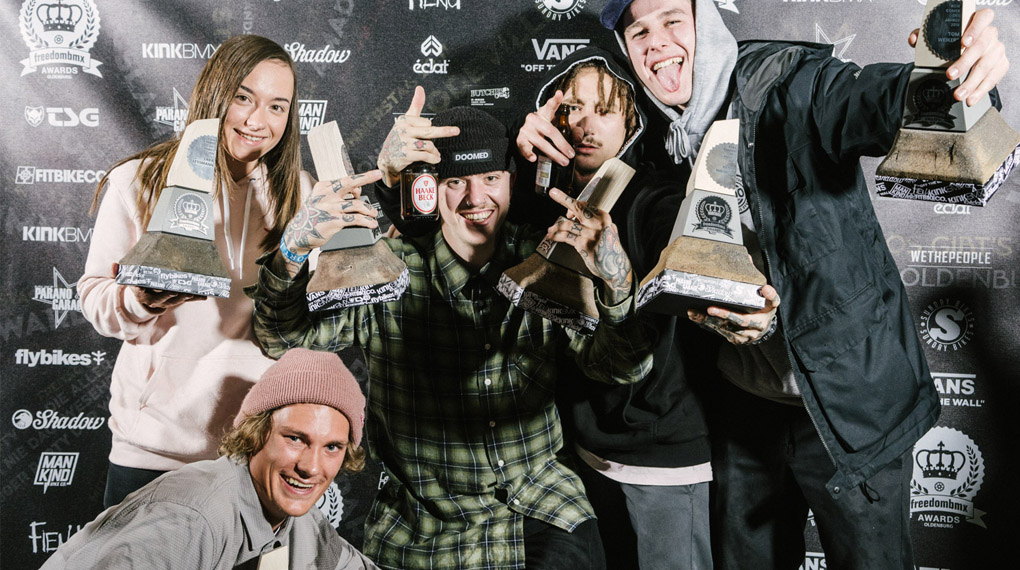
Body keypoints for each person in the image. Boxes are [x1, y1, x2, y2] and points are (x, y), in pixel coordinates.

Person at [590, 1, 1009, 569]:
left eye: (672, 20)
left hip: (849, 401)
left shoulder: (785, 82)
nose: (657, 42)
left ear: (705, 25)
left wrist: (946, 82)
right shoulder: (654, 137)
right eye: (639, 30)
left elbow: (869, 99)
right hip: (745, 409)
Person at [248, 90, 652, 570]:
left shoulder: (547, 261)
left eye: (490, 178)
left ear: (510, 182)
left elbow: (621, 368)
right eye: (456, 181)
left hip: (540, 507)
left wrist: (618, 282)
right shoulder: (388, 273)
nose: (476, 198)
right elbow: (282, 340)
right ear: (428, 191)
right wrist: (291, 252)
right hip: (422, 530)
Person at [78, 34, 314, 508]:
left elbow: (312, 317)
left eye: (277, 107)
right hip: (152, 453)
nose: (256, 120)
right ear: (214, 93)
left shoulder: (300, 195)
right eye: (243, 97)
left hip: (254, 455)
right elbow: (94, 299)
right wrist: (142, 296)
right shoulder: (141, 180)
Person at [512, 48, 720, 570]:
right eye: (572, 109)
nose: (584, 124)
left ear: (632, 118)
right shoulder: (554, 199)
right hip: (586, 455)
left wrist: (620, 269)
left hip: (662, 457)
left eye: (603, 110)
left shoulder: (660, 199)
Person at [39, 348, 378, 570]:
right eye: (295, 439)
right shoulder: (190, 519)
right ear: (256, 433)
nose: (311, 467)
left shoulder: (299, 518)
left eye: (332, 447)